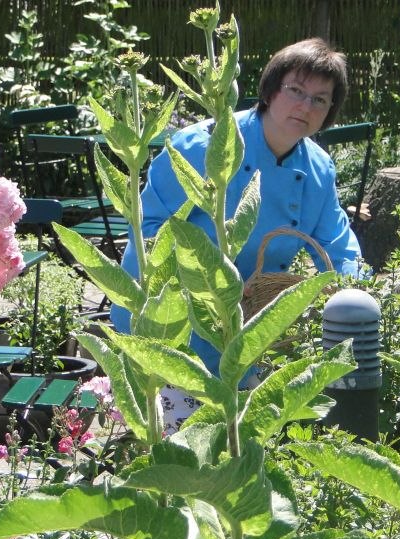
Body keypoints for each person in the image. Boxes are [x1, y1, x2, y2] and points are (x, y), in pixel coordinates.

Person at [111, 38, 362, 433]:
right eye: (296, 90)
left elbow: (337, 242)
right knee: (182, 455)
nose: (306, 106)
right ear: (270, 89)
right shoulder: (202, 146)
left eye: (320, 99)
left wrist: (353, 296)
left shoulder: (318, 169)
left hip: (255, 330)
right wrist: (205, 285)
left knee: (243, 449)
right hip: (174, 323)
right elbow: (150, 230)